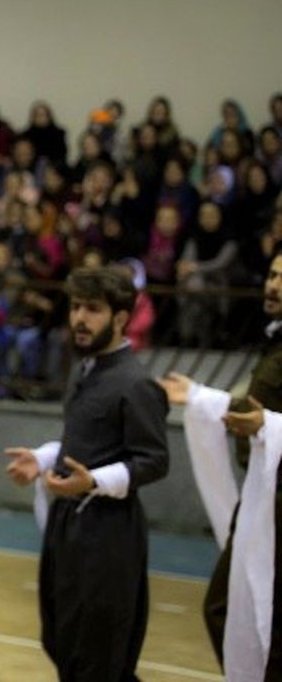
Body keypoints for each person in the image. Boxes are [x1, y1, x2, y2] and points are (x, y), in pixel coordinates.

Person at [5, 266, 169, 681]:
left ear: (120, 318)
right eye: (76, 307)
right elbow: (86, 440)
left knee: (99, 654)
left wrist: (94, 481)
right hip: (69, 524)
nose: (79, 318)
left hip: (109, 533)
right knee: (62, 640)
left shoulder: (136, 384)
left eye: (92, 309)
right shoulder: (84, 370)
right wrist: (44, 458)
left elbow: (154, 460)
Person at [159, 248, 282, 679]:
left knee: (243, 611)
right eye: (272, 275)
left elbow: (263, 416)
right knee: (231, 608)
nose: (273, 285)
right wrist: (200, 397)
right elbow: (256, 408)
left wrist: (266, 424)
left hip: (277, 504)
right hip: (261, 499)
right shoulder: (275, 342)